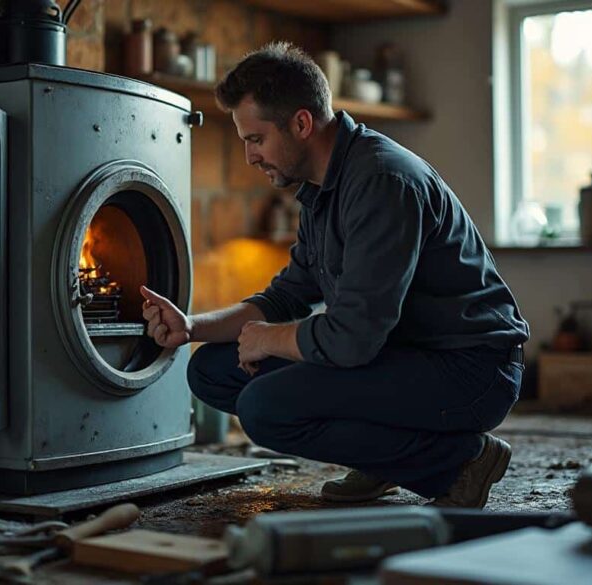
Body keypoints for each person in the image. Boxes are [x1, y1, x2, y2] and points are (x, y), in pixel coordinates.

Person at [140, 42, 529, 508]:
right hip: (400, 355)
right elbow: (287, 296)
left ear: (301, 124)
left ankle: (460, 461)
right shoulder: (321, 190)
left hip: (468, 370)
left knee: (265, 409)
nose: (249, 156)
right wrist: (191, 327)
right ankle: (385, 458)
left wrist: (269, 339)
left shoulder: (383, 180)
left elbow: (352, 338)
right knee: (211, 371)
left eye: (255, 139)